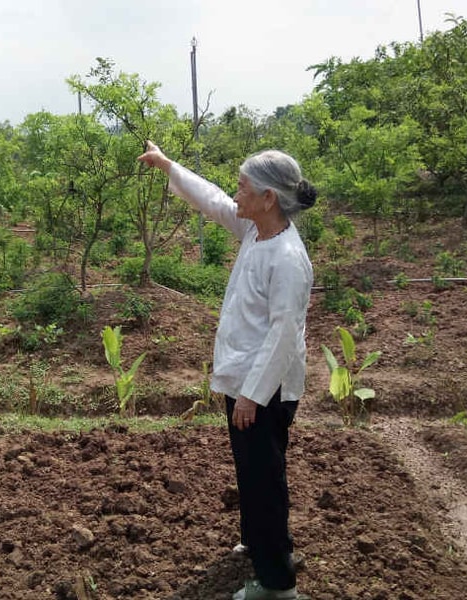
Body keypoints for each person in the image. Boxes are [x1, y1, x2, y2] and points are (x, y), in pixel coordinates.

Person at [137, 141, 315, 600]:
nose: (236, 195)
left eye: (243, 187)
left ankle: (277, 584)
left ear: (268, 197)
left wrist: (253, 396)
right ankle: (257, 544)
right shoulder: (256, 230)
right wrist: (167, 164)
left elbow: (283, 335)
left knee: (264, 480)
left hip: (265, 390)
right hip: (244, 382)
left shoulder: (288, 259)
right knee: (250, 472)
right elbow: (212, 199)